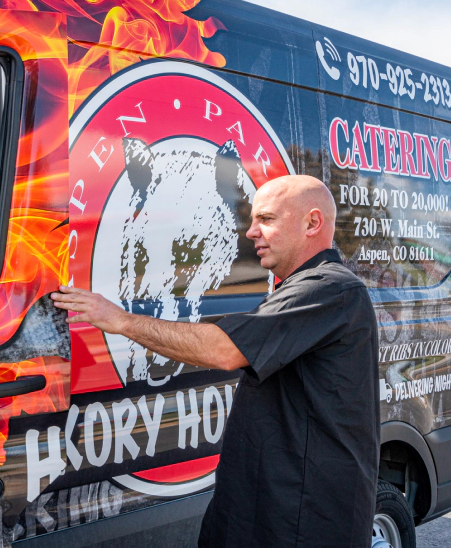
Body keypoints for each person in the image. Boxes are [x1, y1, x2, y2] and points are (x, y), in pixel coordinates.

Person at [51, 175, 380, 547]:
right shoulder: (300, 289)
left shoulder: (331, 289)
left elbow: (224, 350)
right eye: (252, 220)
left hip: (301, 523)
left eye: (267, 219)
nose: (252, 232)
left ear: (312, 223)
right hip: (262, 511)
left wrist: (121, 320)